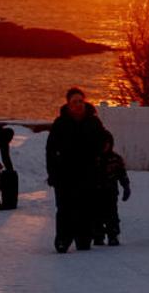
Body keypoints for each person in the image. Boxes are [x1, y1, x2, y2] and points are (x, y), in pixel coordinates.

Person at [45, 87, 108, 252]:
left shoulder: (93, 122)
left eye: (81, 101)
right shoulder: (60, 124)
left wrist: (102, 153)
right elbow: (50, 150)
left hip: (88, 173)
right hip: (64, 174)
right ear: (68, 104)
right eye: (75, 102)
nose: (78, 105)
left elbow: (105, 140)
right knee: (65, 208)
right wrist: (52, 173)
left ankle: (84, 239)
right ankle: (63, 240)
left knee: (86, 206)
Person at [93, 131, 131, 246]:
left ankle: (113, 235)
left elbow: (122, 174)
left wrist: (126, 186)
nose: (105, 146)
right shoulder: (93, 159)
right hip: (95, 191)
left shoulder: (115, 159)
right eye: (102, 143)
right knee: (96, 214)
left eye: (107, 143)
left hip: (110, 191)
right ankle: (98, 235)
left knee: (111, 214)